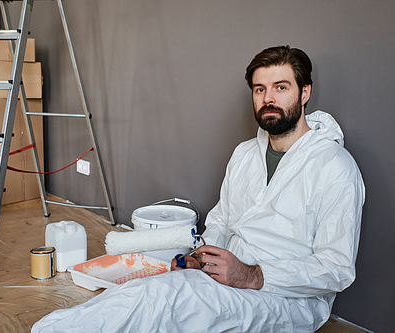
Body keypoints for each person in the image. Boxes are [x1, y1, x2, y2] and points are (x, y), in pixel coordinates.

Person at [32, 46, 365, 333]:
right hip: (223, 277)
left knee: (169, 304)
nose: (268, 99)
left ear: (304, 92)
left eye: (280, 87)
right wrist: (200, 259)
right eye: (259, 89)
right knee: (149, 293)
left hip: (286, 299)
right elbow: (221, 222)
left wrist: (253, 275)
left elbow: (336, 269)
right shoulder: (245, 155)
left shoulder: (335, 167)